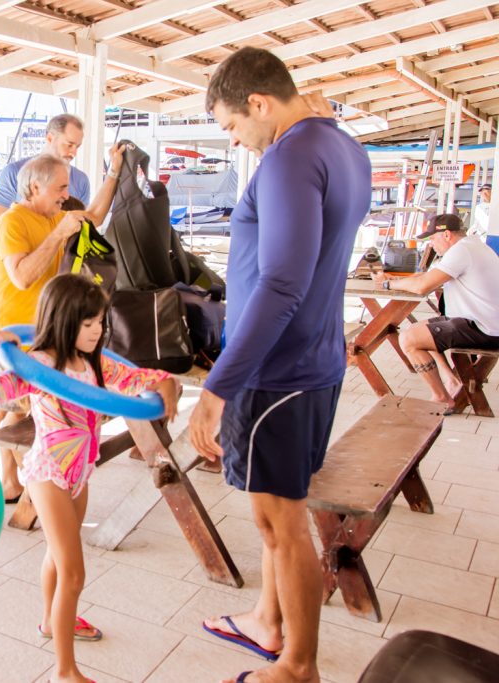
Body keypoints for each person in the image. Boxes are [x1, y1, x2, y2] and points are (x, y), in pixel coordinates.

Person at [187, 47, 371, 683]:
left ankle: (297, 666)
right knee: (281, 509)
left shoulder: (289, 157)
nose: (237, 141)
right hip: (315, 362)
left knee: (279, 522)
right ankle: (269, 621)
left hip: (276, 375)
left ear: (259, 104)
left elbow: (284, 282)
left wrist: (219, 385)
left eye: (233, 126)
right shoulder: (343, 147)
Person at [0, 275, 179, 683]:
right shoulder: (39, 363)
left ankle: (53, 621)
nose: (97, 330)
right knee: (74, 572)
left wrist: (166, 382)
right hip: (48, 472)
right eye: (88, 323)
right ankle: (64, 671)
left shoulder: (95, 361)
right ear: (64, 319)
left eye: (101, 322)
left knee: (56, 556)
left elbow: (138, 378)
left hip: (80, 471)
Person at [0, 150, 123, 502]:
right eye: (61, 188)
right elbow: (21, 277)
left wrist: (114, 171)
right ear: (35, 187)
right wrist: (58, 233)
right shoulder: (12, 222)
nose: (66, 194)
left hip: (42, 337)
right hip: (12, 335)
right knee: (0, 413)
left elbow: (93, 215)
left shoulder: (54, 215)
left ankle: (11, 484)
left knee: (15, 410)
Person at [372, 213, 499, 413]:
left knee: (409, 339)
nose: (431, 244)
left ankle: (442, 398)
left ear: (447, 235)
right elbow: (429, 277)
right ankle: (452, 381)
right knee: (420, 329)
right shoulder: (472, 246)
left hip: (485, 329)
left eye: (432, 238)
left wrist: (388, 284)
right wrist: (397, 278)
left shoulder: (461, 251)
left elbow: (422, 286)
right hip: (484, 322)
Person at [0, 114, 92, 271]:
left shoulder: (81, 181)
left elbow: (80, 234)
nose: (73, 153)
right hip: (19, 273)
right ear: (49, 138)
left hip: (60, 280)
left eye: (77, 147)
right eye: (69, 145)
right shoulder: (14, 173)